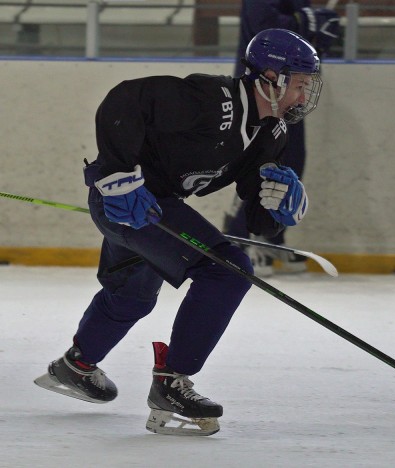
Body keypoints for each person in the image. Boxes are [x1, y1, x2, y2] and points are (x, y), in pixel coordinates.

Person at [34, 28, 324, 435]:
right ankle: (173, 383)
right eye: (299, 84)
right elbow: (126, 99)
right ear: (270, 78)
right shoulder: (212, 100)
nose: (303, 97)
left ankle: (75, 366)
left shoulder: (271, 133)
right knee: (227, 270)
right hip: (126, 201)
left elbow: (258, 220)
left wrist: (278, 206)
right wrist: (117, 174)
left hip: (153, 207)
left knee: (131, 294)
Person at [223, 0, 339, 276]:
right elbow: (263, 26)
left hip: (291, 86)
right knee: (259, 164)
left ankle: (272, 236)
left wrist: (317, 32)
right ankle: (241, 237)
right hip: (266, 87)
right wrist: (307, 21)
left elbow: (303, 37)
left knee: (292, 162)